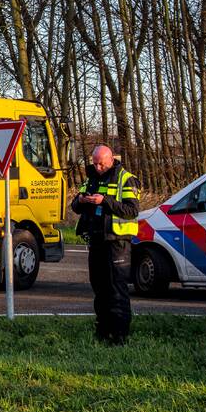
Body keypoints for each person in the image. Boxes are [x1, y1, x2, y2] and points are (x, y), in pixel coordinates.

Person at [71, 145, 140, 344]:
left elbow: (131, 210)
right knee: (99, 288)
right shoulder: (91, 178)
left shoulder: (126, 178)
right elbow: (75, 206)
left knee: (116, 289)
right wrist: (82, 200)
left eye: (101, 163)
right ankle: (102, 332)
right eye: (95, 163)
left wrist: (104, 201)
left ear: (111, 160)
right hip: (96, 240)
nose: (98, 167)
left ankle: (119, 336)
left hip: (117, 242)